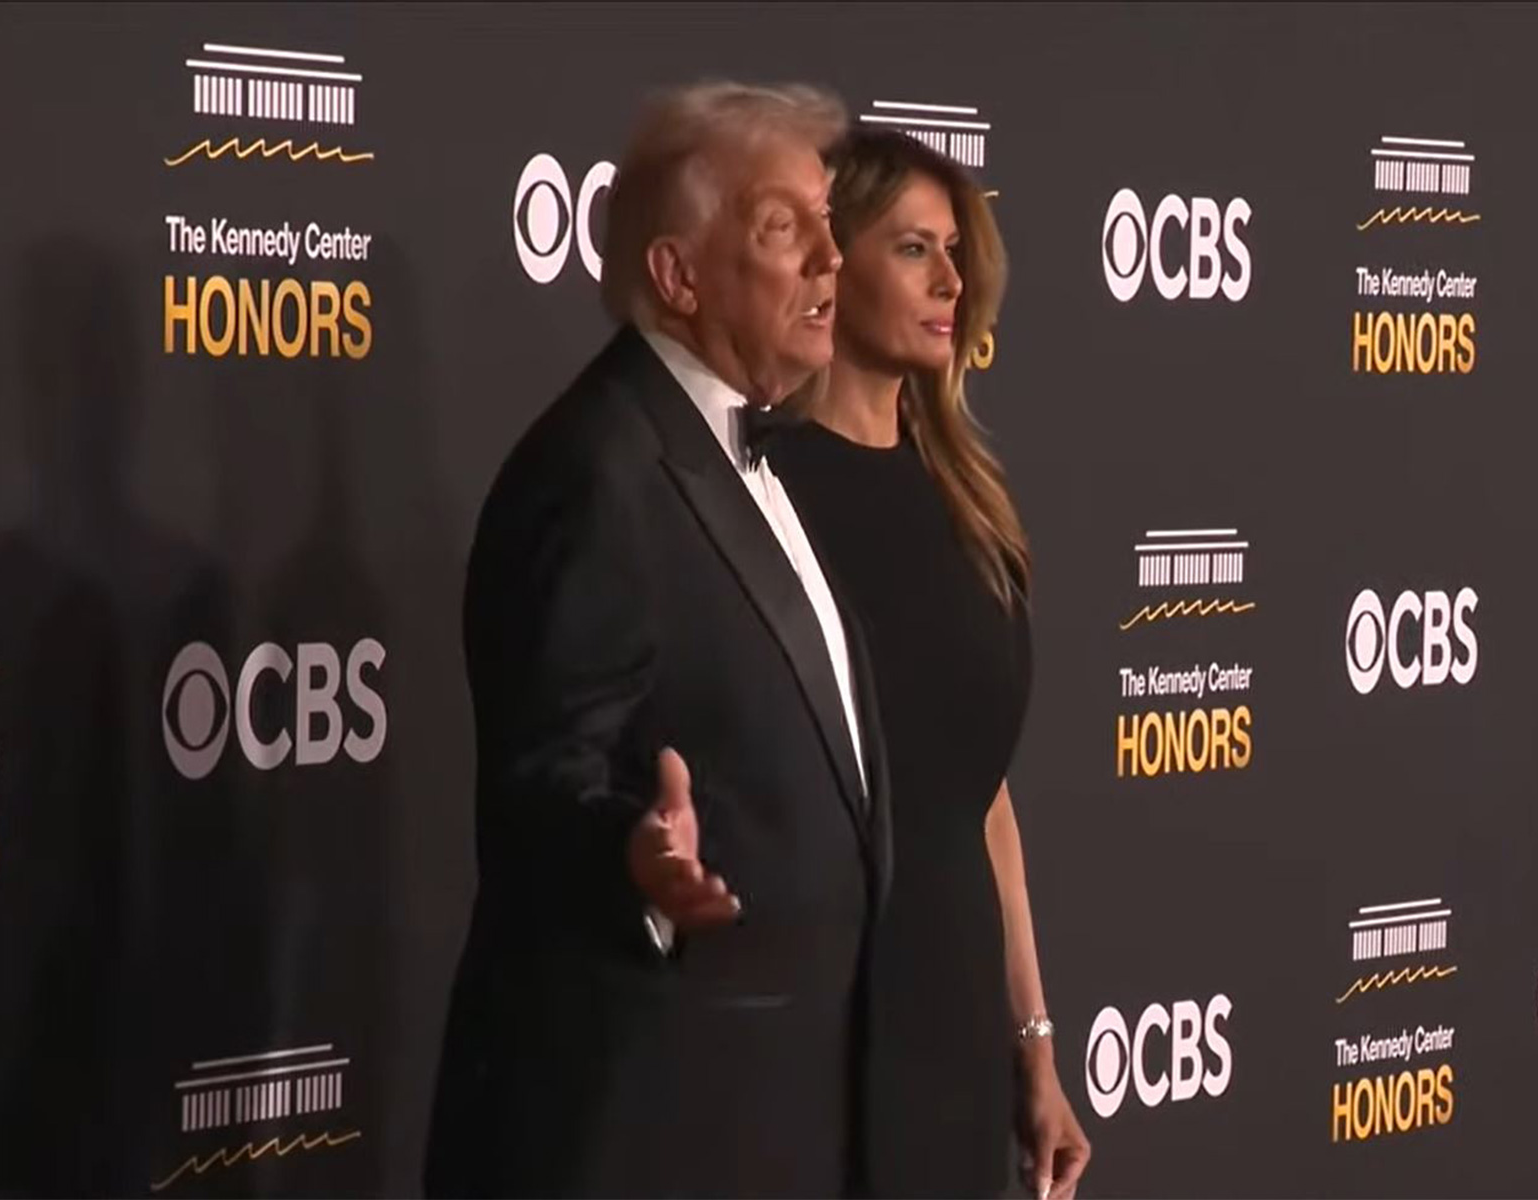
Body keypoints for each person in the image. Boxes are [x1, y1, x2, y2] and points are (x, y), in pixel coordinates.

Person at [424, 83, 892, 1198]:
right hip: (641, 1126)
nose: (836, 258)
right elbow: (544, 780)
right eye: (787, 230)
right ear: (678, 277)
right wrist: (631, 857)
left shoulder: (749, 453)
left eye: (831, 222)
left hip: (774, 1116)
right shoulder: (596, 474)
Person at [766, 127, 1092, 1200]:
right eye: (913, 249)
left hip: (952, 1005)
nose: (951, 280)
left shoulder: (967, 502)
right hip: (813, 1019)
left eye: (955, 252)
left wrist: (1034, 1046)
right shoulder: (758, 502)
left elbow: (980, 796)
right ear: (831, 258)